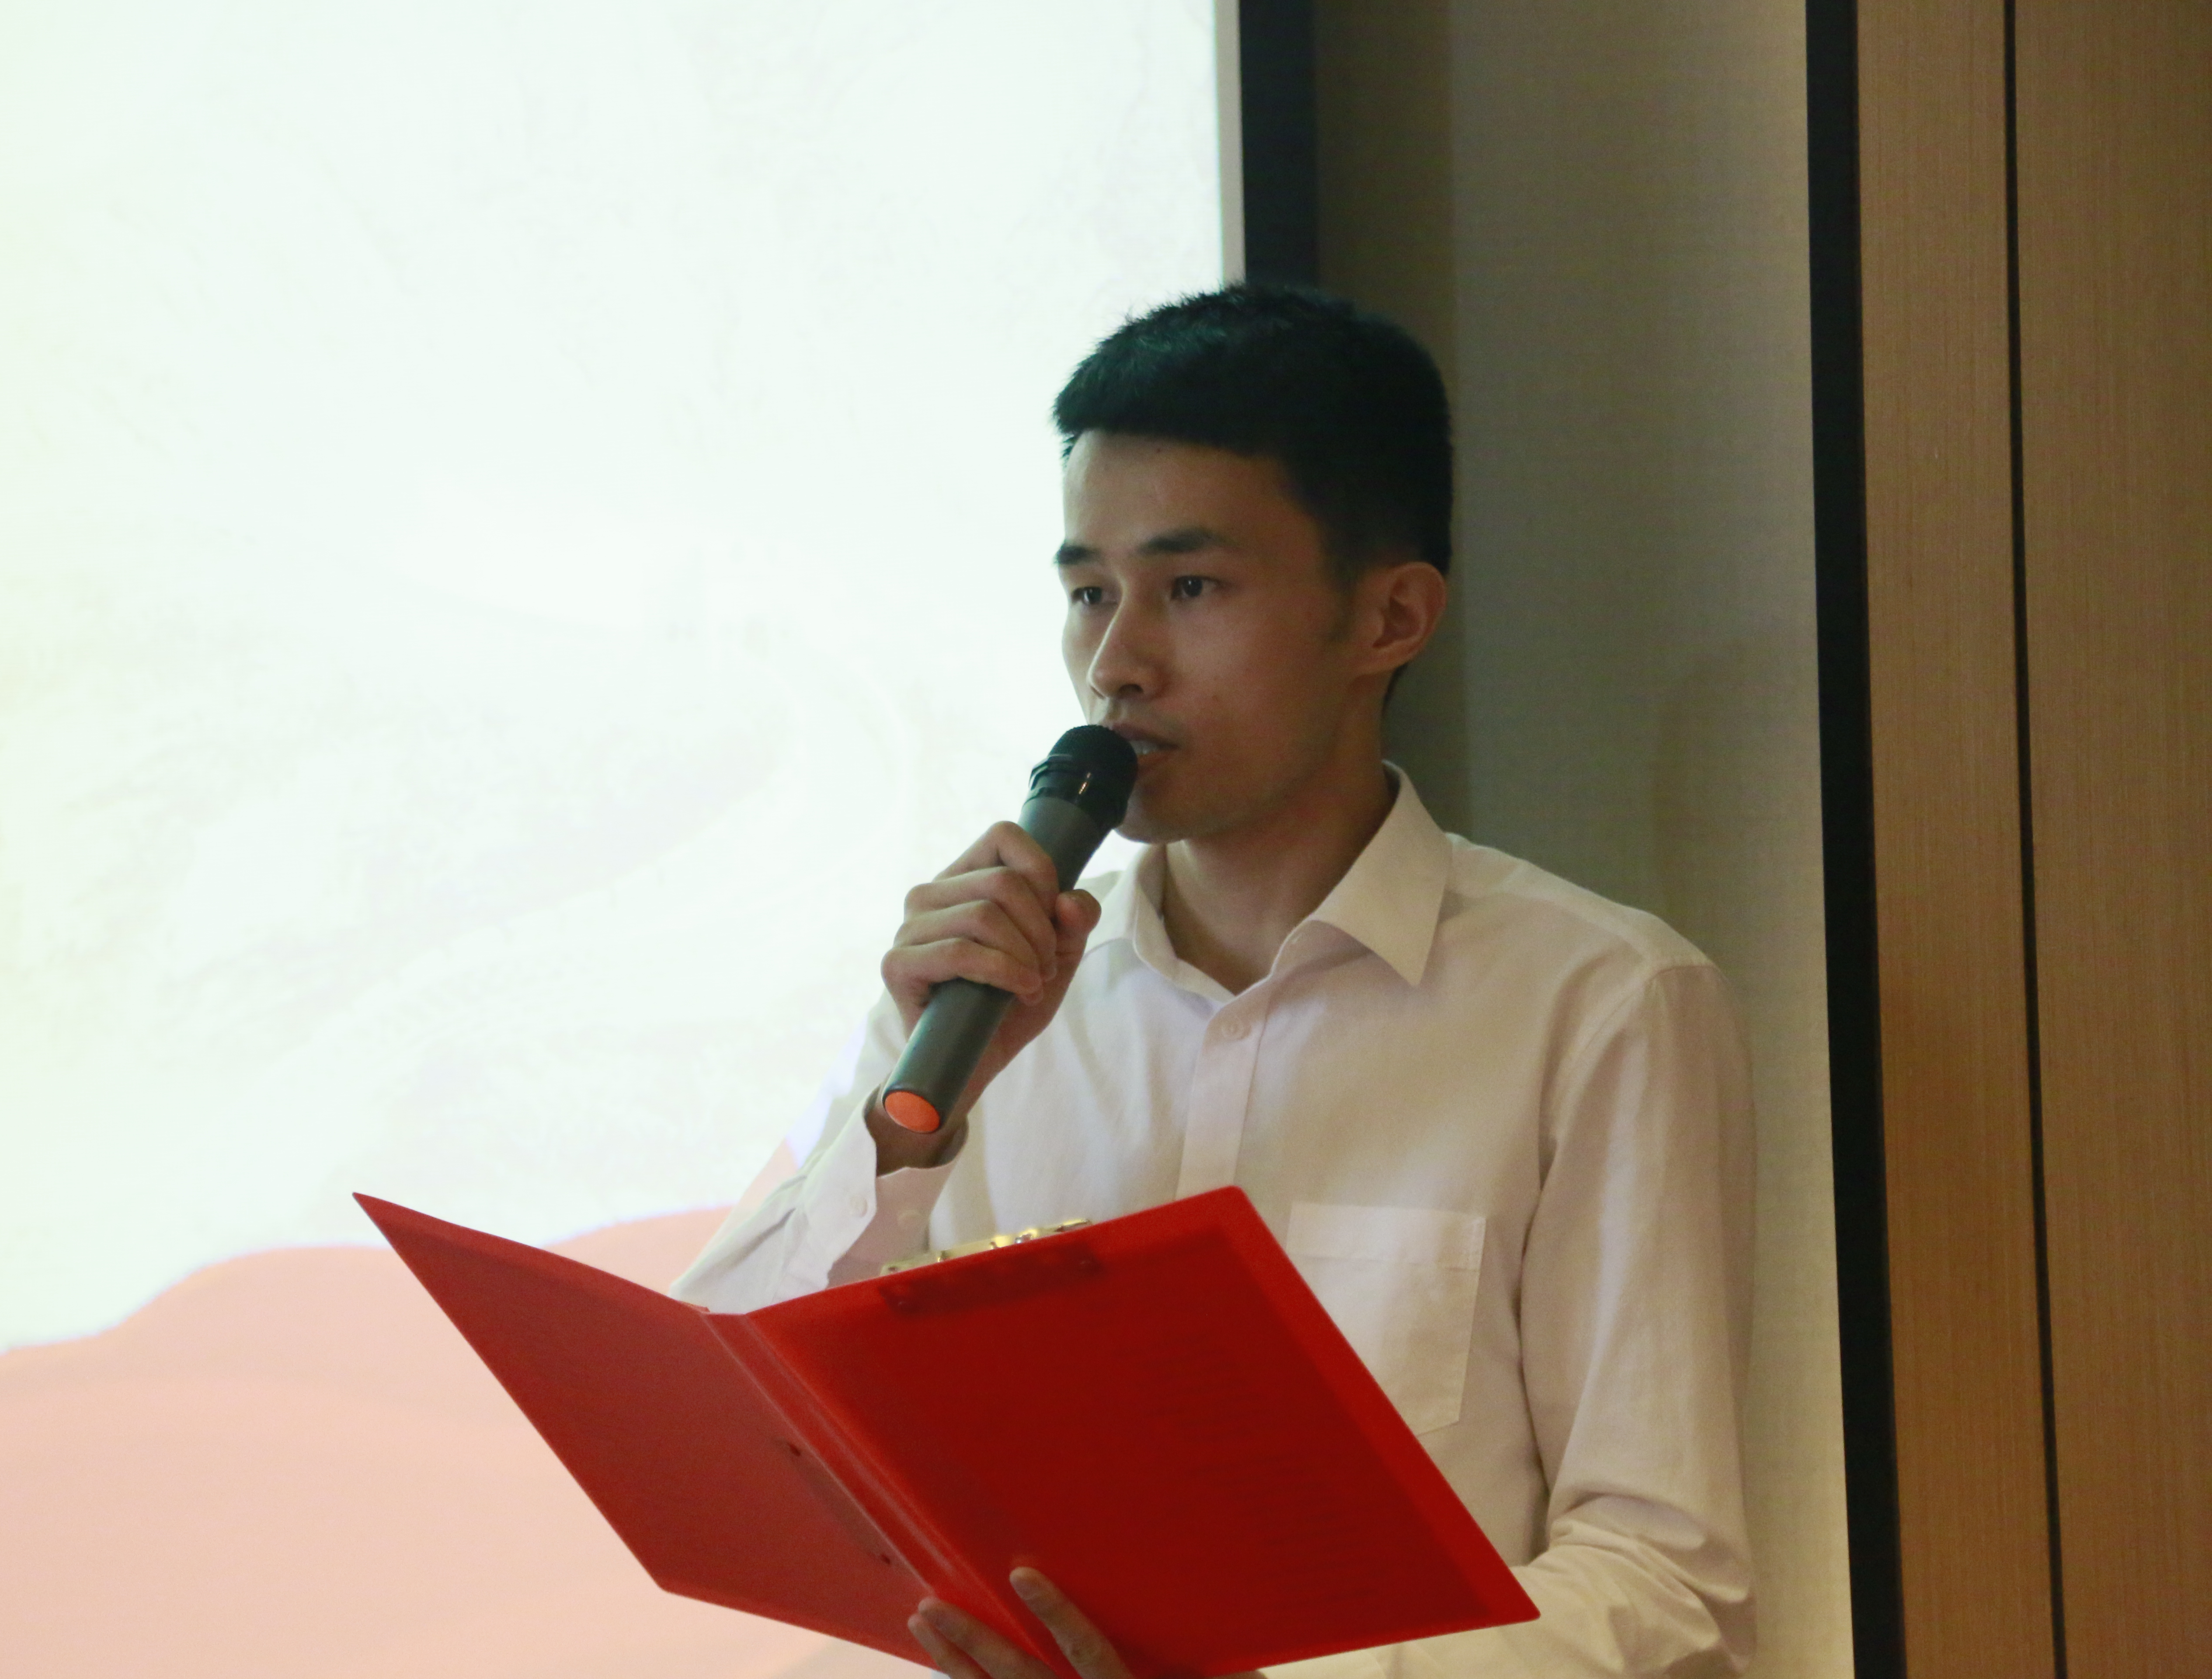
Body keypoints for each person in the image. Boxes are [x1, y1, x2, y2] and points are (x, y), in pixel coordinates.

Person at [673, 286, 1755, 1679]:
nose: (1116, 666)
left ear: (1389, 618)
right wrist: (904, 1130)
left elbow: (1664, 1579)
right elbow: (729, 1425)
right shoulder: (990, 999)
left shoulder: (1598, 1002)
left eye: (1190, 589)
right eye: (1088, 593)